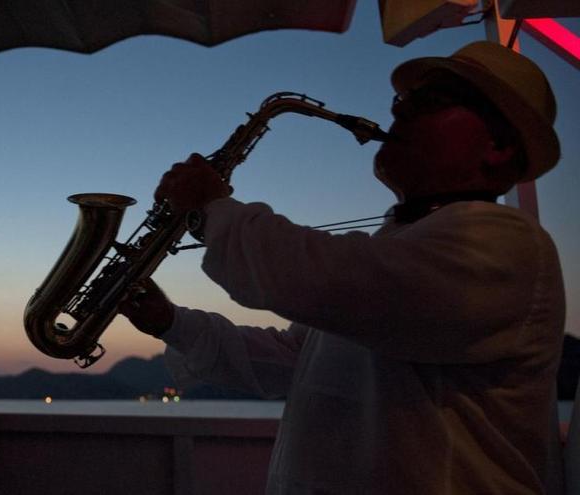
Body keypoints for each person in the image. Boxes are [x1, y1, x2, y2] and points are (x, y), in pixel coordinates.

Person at [120, 41, 565, 494]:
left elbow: (324, 277)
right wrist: (171, 323)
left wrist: (211, 207)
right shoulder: (402, 247)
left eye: (429, 101)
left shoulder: (507, 243)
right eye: (401, 101)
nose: (401, 111)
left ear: (499, 146)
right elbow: (296, 361)